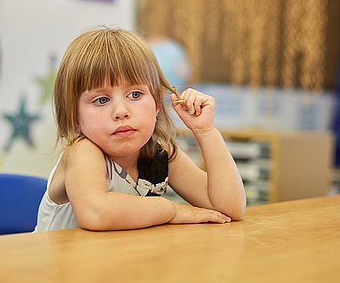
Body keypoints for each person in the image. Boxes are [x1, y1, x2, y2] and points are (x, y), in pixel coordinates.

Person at [34, 27, 246, 231]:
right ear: (74, 119)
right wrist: (171, 211)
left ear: (157, 103)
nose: (121, 111)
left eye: (135, 94)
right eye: (101, 100)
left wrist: (206, 132)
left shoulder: (161, 155)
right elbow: (96, 213)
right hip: (55, 266)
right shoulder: (83, 152)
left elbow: (229, 208)